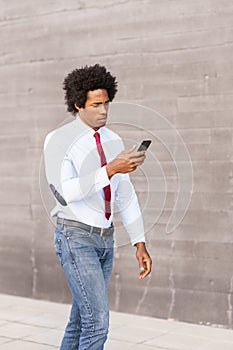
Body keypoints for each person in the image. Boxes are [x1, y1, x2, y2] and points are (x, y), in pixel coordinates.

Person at [43, 64, 152, 350]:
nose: (103, 111)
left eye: (106, 103)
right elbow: (64, 193)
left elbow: (124, 193)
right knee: (97, 322)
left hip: (105, 239)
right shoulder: (58, 140)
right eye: (96, 104)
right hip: (75, 237)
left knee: (81, 320)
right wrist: (110, 168)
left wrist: (139, 241)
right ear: (79, 104)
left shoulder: (113, 139)